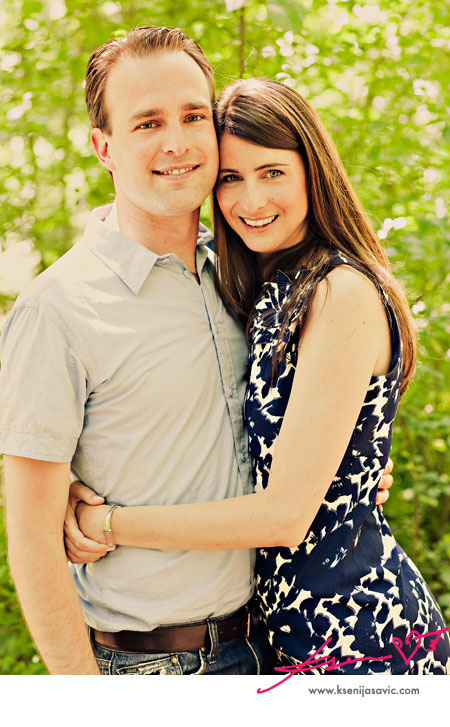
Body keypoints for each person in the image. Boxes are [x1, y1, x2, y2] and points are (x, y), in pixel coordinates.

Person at [0, 26, 391, 676]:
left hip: (272, 648)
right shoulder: (56, 310)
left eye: (191, 116)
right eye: (147, 122)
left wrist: (354, 465)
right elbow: (32, 540)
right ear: (104, 147)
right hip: (150, 667)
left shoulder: (248, 277)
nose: (177, 142)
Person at [69, 78, 450, 675]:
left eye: (273, 172)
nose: (251, 199)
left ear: (313, 172)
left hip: (365, 639)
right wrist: (73, 479)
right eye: (230, 177)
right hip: (284, 641)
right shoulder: (265, 287)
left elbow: (284, 516)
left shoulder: (338, 291)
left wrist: (109, 522)